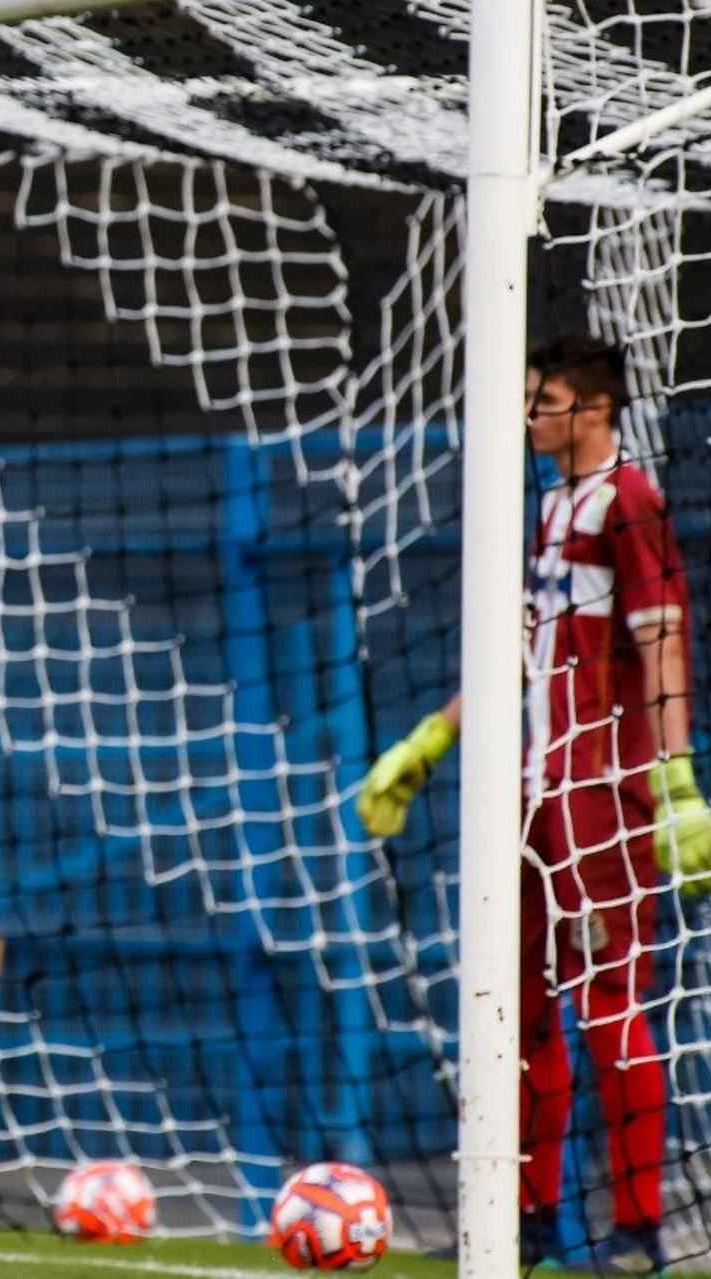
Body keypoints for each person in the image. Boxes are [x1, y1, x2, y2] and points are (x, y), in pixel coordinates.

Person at [356, 336, 710, 1273]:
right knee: (513, 1008)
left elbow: (665, 637)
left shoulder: (628, 501)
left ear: (592, 408)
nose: (529, 413)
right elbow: (518, 651)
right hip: (530, 790)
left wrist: (675, 781)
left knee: (606, 1003)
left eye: (543, 397)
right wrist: (432, 740)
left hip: (603, 795)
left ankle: (636, 1225)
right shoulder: (552, 508)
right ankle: (527, 1217)